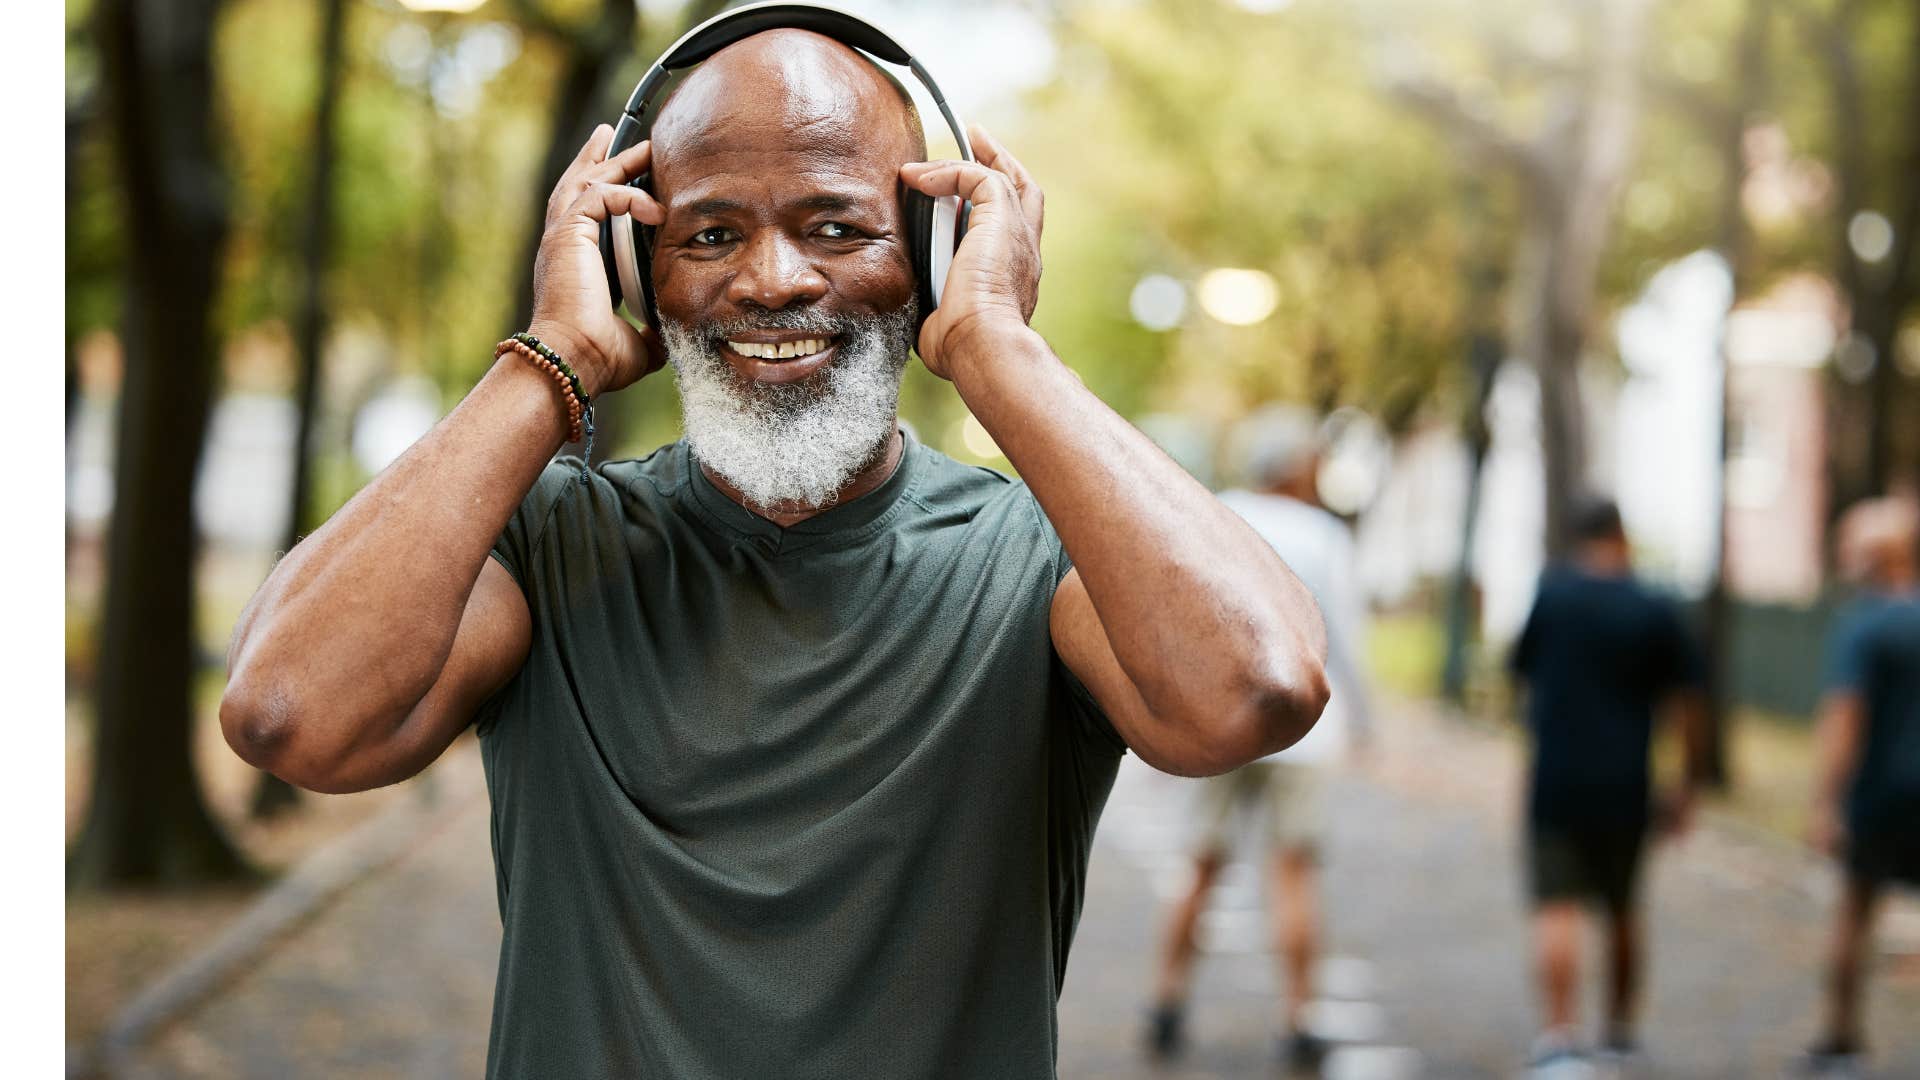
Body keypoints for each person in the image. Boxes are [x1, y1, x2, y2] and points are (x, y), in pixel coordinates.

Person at [216, 14, 1331, 1080]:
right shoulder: (545, 539)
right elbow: (290, 715)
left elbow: (1257, 688)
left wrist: (999, 346)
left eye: (836, 226)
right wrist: (549, 354)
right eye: (709, 234)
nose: (772, 280)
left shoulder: (1042, 562)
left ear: (935, 256)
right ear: (632, 268)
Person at [1143, 406, 1374, 1070]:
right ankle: (1299, 1016)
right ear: (1298, 466)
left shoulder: (1213, 513)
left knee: (1200, 865)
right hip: (1302, 727)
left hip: (1221, 722)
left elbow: (1181, 616)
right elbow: (1348, 640)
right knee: (1294, 873)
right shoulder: (1324, 534)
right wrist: (1364, 722)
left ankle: (1167, 999)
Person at [1507, 497, 1706, 1073]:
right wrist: (1686, 783)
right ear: (1622, 535)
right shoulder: (1653, 606)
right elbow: (1686, 702)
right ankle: (1618, 1031)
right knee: (1622, 907)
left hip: (1557, 777)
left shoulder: (1553, 596)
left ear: (1577, 537)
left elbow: (1523, 681)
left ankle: (1560, 1037)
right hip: (1626, 780)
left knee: (1556, 905)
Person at [1800, 496, 1920, 1078]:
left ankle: (1841, 1044)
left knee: (1853, 915)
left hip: (1880, 799)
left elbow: (1844, 716)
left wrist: (1825, 802)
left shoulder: (1863, 625)